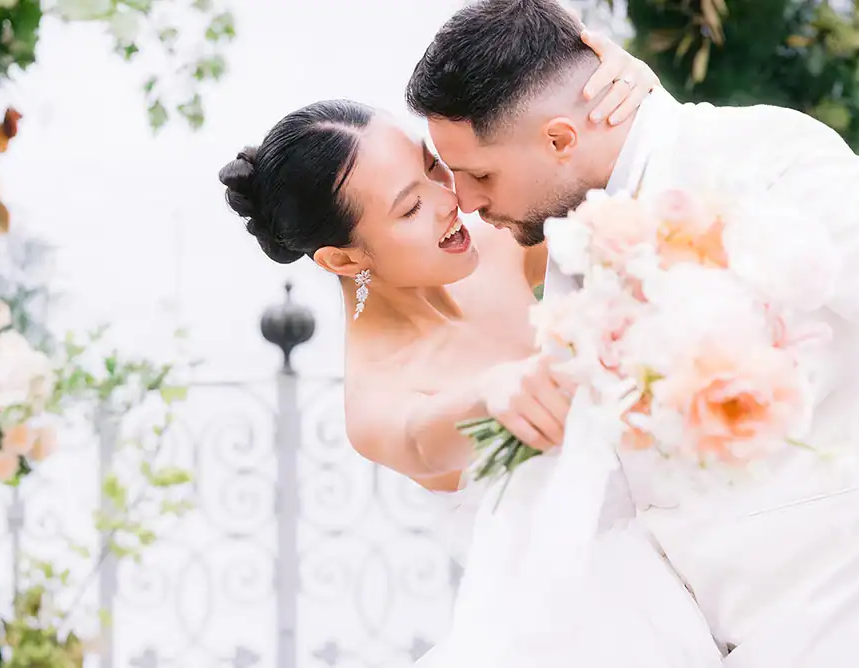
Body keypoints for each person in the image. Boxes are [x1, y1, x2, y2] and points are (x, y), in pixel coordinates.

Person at [405, 0, 859, 666]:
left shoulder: (765, 159)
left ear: (561, 139)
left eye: (479, 175)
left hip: (856, 610)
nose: (468, 203)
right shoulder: (574, 222)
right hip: (695, 625)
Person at [218, 27, 723, 668]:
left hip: (696, 538)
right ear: (343, 257)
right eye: (408, 209)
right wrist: (495, 395)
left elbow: (605, 182)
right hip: (586, 633)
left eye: (432, 167)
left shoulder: (492, 244)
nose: (450, 201)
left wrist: (613, 97)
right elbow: (426, 435)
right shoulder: (380, 398)